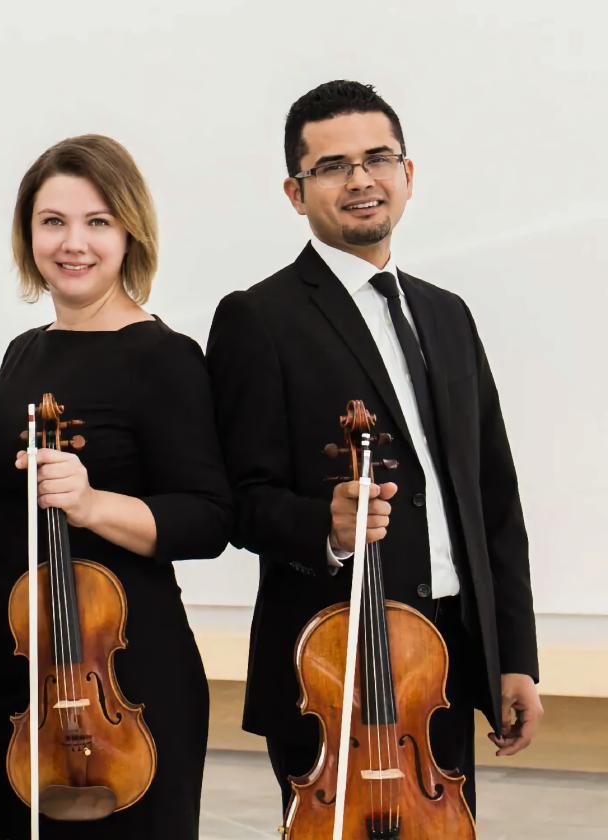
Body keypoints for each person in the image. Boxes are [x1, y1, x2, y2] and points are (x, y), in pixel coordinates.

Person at [205, 79, 543, 817]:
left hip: (447, 660)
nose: (359, 180)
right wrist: (322, 528)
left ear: (407, 174)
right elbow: (240, 502)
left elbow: (493, 499)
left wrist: (513, 656)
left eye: (377, 158)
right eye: (331, 166)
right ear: (295, 193)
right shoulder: (256, 319)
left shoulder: (447, 315)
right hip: (333, 666)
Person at [0, 134, 232, 838]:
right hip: (14, 671)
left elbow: (207, 520)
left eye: (97, 222)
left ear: (129, 231)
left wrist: (91, 503)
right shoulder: (25, 351)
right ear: (29, 234)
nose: (73, 243)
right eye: (53, 222)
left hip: (123, 687)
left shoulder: (166, 357)